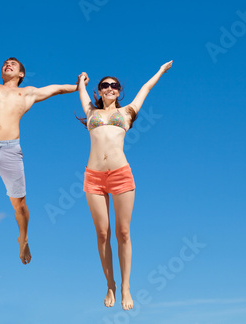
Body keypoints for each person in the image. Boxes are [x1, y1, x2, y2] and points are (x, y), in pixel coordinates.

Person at [0, 58, 84, 264]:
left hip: (10, 151)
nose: (8, 64)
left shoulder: (28, 93)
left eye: (13, 64)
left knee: (20, 205)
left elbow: (57, 89)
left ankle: (23, 238)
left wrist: (80, 86)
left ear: (21, 74)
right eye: (5, 63)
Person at [76, 61, 173, 310]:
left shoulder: (128, 112)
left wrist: (160, 71)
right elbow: (82, 92)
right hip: (94, 177)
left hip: (120, 174)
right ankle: (110, 284)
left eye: (114, 85)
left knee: (124, 233)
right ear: (99, 91)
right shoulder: (91, 113)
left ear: (119, 91)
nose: (110, 88)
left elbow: (146, 88)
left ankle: (126, 286)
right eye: (105, 85)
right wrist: (82, 81)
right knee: (102, 233)